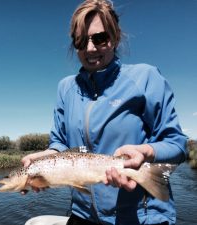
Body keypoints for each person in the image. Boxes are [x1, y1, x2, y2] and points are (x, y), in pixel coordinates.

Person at [22, 0, 187, 224]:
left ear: (115, 37)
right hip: (82, 215)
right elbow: (60, 141)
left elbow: (176, 144)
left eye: (99, 38)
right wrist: (49, 156)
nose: (90, 48)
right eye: (81, 41)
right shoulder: (65, 88)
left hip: (140, 217)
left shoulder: (145, 77)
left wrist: (146, 152)